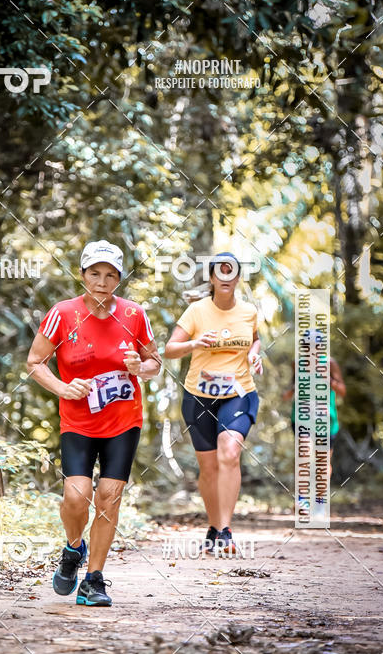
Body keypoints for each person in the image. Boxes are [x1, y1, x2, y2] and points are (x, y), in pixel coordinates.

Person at [26, 240, 161, 606]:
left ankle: (94, 580)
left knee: (109, 497)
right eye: (95, 273)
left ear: (119, 279)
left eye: (110, 275)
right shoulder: (63, 314)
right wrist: (64, 388)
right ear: (83, 274)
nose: (102, 281)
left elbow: (154, 363)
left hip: (123, 419)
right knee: (76, 495)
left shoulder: (134, 314)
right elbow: (35, 362)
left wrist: (139, 367)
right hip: (78, 421)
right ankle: (73, 549)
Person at [164, 253, 262, 555]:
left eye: (231, 271)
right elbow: (169, 349)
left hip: (239, 393)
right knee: (208, 468)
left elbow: (255, 339)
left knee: (229, 452)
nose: (225, 277)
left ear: (237, 278)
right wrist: (194, 343)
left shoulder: (248, 311)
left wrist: (254, 354)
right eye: (220, 271)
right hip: (199, 396)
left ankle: (225, 530)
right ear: (212, 277)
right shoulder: (196, 311)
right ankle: (214, 524)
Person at [282, 332, 346, 477]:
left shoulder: (329, 363)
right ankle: (301, 497)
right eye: (308, 347)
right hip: (301, 416)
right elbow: (289, 389)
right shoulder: (297, 363)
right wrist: (290, 391)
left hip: (325, 418)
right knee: (303, 454)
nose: (312, 351)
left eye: (316, 347)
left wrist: (329, 381)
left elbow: (343, 391)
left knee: (322, 463)